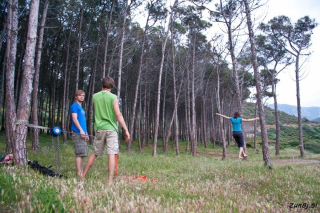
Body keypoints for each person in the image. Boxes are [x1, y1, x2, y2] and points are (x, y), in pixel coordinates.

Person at [81, 77, 130, 185]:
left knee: (95, 153)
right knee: (111, 154)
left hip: (99, 128)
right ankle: (110, 181)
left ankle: (83, 175)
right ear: (112, 86)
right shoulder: (113, 97)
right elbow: (118, 114)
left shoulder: (95, 96)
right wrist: (126, 129)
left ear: (102, 85)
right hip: (111, 129)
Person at [70, 90, 89, 177]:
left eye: (83, 95)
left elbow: (82, 121)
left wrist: (86, 132)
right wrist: (81, 130)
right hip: (77, 132)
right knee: (79, 153)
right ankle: (79, 173)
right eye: (80, 95)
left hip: (82, 133)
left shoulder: (81, 108)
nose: (82, 97)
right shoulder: (74, 106)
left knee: (82, 153)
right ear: (76, 96)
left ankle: (81, 173)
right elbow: (75, 119)